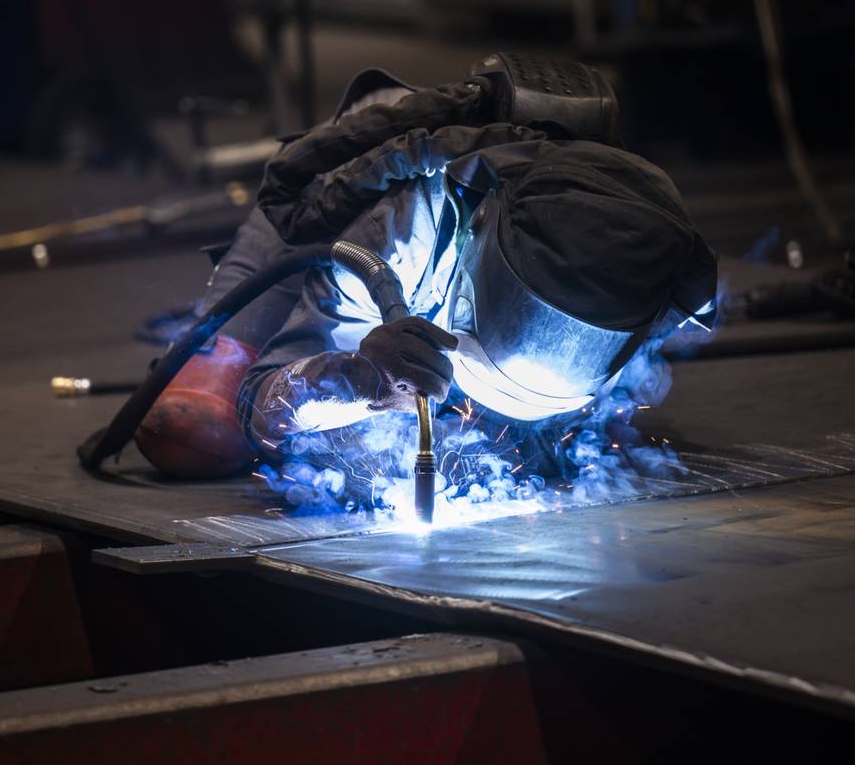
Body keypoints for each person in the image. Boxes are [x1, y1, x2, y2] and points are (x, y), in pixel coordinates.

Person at [135, 61, 716, 483]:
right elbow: (265, 404)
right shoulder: (404, 235)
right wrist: (352, 381)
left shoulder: (659, 255)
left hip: (526, 193)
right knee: (195, 435)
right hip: (333, 198)